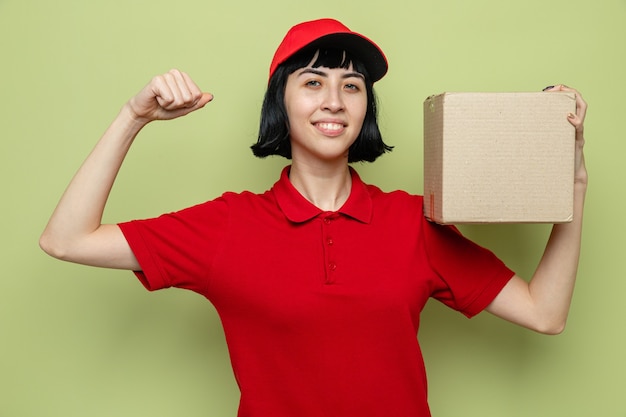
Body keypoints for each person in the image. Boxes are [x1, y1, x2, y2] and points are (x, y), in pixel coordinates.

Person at [40, 18, 588, 417]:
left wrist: (574, 181)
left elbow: (546, 313)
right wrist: (134, 117)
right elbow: (66, 239)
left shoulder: (414, 222)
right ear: (281, 102)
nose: (334, 99)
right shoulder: (228, 226)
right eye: (312, 81)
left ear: (364, 110)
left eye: (352, 86)